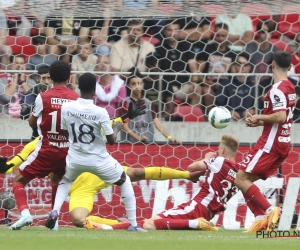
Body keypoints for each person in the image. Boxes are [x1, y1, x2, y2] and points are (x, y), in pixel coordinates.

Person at [0, 141, 202, 228]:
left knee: (135, 173)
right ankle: (124, 224)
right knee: (79, 220)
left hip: (92, 171)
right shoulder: (32, 146)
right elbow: (11, 167)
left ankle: (186, 174)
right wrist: (3, 167)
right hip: (78, 187)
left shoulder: (68, 130)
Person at [45, 72, 145, 232]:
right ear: (94, 90)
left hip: (76, 158)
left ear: (78, 88)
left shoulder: (67, 107)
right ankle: (133, 224)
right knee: (124, 181)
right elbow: (111, 140)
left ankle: (55, 211)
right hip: (99, 160)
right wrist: (119, 125)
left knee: (66, 180)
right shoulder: (100, 112)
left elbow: (65, 133)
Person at [83, 135, 239, 231]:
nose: (217, 151)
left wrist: (207, 158)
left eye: (219, 149)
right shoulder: (238, 173)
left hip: (196, 207)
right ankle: (109, 224)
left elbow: (191, 167)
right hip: (208, 212)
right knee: (150, 223)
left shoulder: (219, 161)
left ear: (223, 150)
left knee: (150, 223)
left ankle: (106, 227)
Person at [9, 61, 80, 231]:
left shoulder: (43, 97)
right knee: (57, 179)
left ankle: (25, 213)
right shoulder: (76, 98)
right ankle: (54, 221)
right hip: (67, 151)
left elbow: (32, 123)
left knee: (19, 180)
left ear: (51, 77)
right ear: (69, 77)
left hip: (47, 148)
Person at [234, 51, 296, 233]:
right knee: (245, 180)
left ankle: (271, 211)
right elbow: (282, 118)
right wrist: (260, 122)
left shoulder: (277, 89)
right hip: (282, 142)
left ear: (272, 65)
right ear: (290, 66)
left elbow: (280, 115)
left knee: (239, 179)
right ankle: (261, 219)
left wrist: (258, 115)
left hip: (270, 144)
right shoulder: (290, 87)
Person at [118, 70, 180, 143]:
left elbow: (156, 121)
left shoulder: (148, 102)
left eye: (139, 83)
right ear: (128, 85)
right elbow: (124, 126)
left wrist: (169, 137)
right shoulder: (125, 103)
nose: (136, 86)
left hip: (148, 142)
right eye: (133, 84)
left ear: (143, 85)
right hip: (130, 144)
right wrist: (139, 138)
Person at [189, 23, 237, 114]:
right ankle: (212, 115)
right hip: (208, 84)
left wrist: (222, 85)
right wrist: (207, 82)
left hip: (225, 86)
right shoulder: (206, 50)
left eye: (223, 36)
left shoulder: (232, 54)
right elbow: (198, 72)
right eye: (217, 35)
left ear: (228, 36)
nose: (220, 38)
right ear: (214, 34)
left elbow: (233, 77)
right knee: (207, 91)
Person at [155, 20, 196, 117]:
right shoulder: (158, 47)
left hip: (184, 85)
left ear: (180, 32)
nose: (172, 33)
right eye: (169, 30)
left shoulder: (187, 46)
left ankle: (193, 117)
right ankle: (164, 118)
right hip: (166, 87)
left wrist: (195, 82)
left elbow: (193, 65)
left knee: (197, 90)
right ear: (164, 31)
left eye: (176, 30)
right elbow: (156, 68)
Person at [215, 52, 255, 120]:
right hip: (228, 121)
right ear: (235, 65)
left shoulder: (254, 86)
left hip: (250, 121)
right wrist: (228, 111)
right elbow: (218, 105)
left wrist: (253, 110)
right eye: (239, 64)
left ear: (249, 67)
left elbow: (260, 105)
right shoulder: (225, 84)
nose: (242, 67)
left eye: (245, 64)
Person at [21, 65, 52, 139]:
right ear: (38, 78)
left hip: (53, 135)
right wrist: (39, 104)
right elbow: (22, 114)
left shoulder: (57, 93)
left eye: (49, 78)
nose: (46, 82)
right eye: (43, 78)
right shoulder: (32, 92)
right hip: (37, 135)